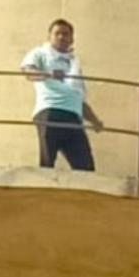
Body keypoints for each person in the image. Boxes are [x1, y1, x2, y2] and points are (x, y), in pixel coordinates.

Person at [21, 19, 103, 171]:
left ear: (72, 38)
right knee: (47, 162)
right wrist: (50, 74)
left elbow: (78, 97)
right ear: (49, 36)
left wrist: (95, 121)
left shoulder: (74, 63)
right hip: (50, 111)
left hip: (73, 117)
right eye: (57, 33)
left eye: (65, 34)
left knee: (86, 168)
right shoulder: (41, 53)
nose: (61, 37)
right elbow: (28, 72)